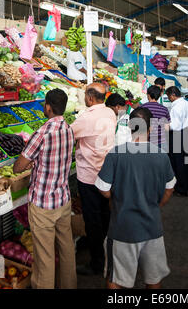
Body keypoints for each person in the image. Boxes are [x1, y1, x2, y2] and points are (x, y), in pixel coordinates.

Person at [95, 107, 175, 289]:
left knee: (116, 279)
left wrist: (117, 197)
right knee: (153, 278)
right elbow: (169, 188)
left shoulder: (116, 154)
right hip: (152, 227)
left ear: (130, 127)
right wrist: (156, 204)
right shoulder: (161, 155)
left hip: (123, 228)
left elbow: (103, 188)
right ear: (151, 129)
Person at [13, 89, 76, 289]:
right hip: (63, 199)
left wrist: (31, 162)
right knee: (66, 249)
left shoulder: (41, 133)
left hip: (43, 204)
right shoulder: (69, 128)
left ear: (48, 106)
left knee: (45, 256)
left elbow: (18, 167)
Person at [70, 83, 117, 276]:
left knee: (92, 219)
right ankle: (108, 253)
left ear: (89, 98)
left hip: (90, 176)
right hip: (108, 174)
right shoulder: (110, 113)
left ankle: (97, 262)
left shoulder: (86, 118)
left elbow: (67, 134)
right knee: (105, 216)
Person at [166, 86, 188, 197]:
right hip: (185, 133)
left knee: (178, 163)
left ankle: (181, 189)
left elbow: (175, 126)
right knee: (186, 161)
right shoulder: (187, 104)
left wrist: (164, 125)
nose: (169, 99)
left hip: (177, 135)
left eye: (169, 96)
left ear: (173, 95)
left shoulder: (176, 107)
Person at [140, 85, 171, 150]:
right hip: (161, 142)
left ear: (148, 95)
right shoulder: (164, 109)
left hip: (146, 142)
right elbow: (167, 128)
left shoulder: (142, 108)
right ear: (159, 96)